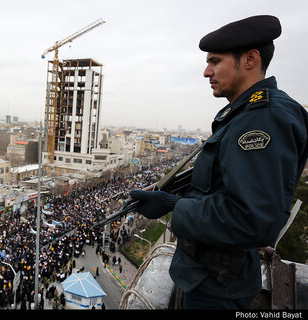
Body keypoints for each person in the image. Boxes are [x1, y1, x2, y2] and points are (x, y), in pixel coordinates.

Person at [129, 15, 308, 309]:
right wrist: (171, 193)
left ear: (250, 59)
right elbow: (221, 187)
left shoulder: (262, 119)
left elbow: (250, 219)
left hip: (219, 290)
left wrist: (173, 206)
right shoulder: (243, 114)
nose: (206, 71)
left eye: (215, 61)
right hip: (210, 277)